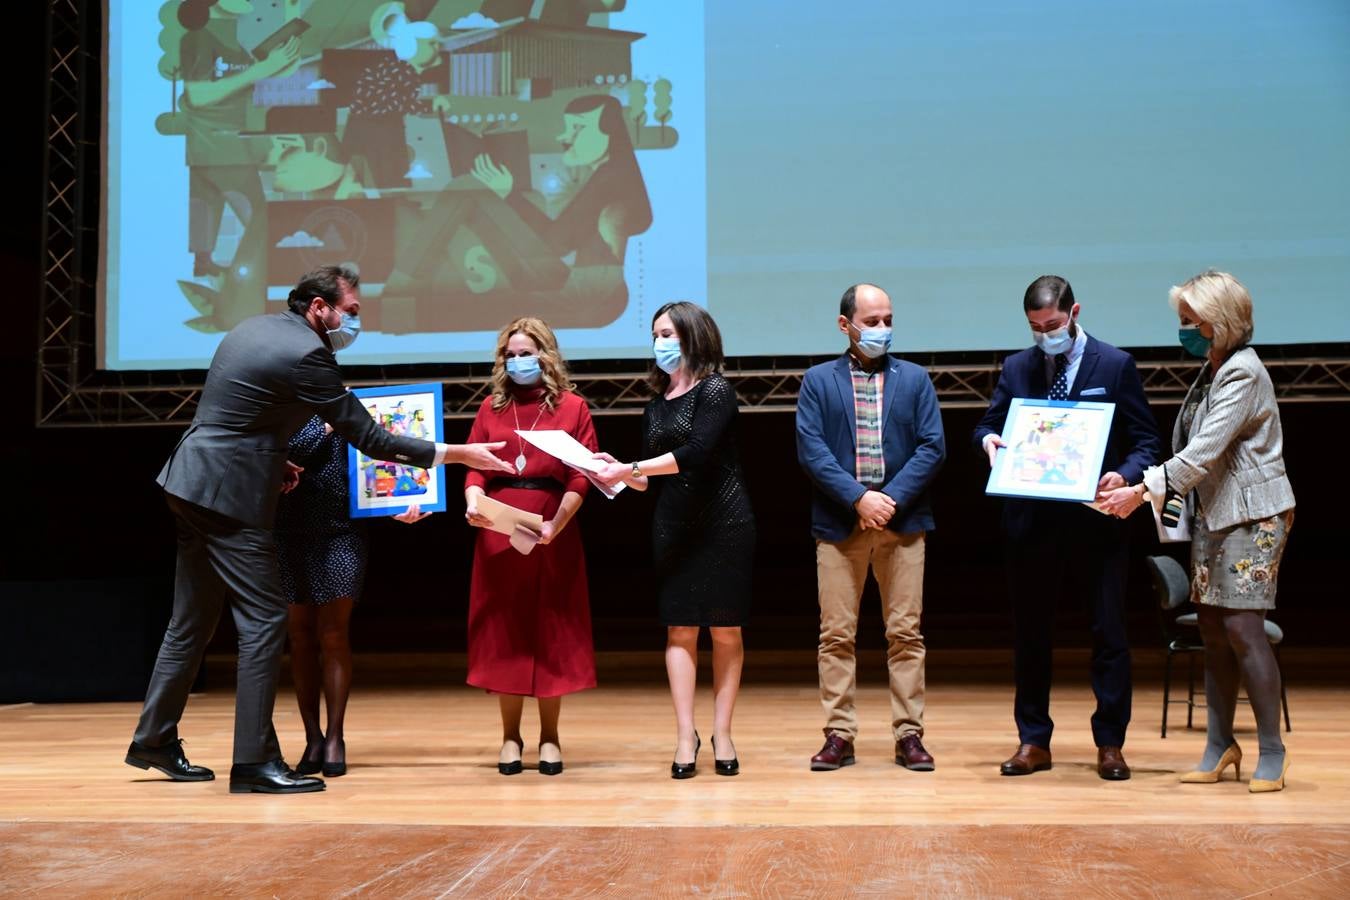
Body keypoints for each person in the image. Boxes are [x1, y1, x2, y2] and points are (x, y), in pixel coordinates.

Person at [126, 265, 513, 794]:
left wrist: (275, 458)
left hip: (189, 480)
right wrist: (455, 453)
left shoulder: (251, 328)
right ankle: (254, 763)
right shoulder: (310, 355)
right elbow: (371, 439)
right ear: (318, 308)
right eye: (350, 313)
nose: (354, 324)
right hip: (231, 497)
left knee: (190, 621)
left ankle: (154, 739)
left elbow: (242, 413)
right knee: (264, 620)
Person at [1096, 271, 1296, 792]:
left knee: (1243, 630)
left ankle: (1271, 750)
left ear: (1218, 322)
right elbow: (1192, 454)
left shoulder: (1243, 373)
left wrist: (1139, 492)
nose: (1182, 329)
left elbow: (1203, 451)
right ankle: (1219, 745)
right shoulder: (1213, 370)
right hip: (1214, 514)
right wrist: (1136, 482)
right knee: (1212, 631)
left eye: (1190, 321)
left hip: (1253, 518)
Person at [973, 275, 1160, 781]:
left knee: (1109, 633)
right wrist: (990, 442)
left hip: (1096, 524)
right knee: (1031, 635)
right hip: (1031, 523)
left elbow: (1146, 442)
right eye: (1035, 328)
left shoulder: (1115, 364)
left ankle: (1110, 743)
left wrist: (1126, 473)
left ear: (1075, 312)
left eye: (1052, 325)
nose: (1044, 336)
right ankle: (1033, 740)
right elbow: (988, 424)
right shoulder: (1018, 366)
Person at [593, 302, 755, 778]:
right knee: (680, 629)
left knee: (726, 630)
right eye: (655, 334)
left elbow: (697, 452)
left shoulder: (716, 390)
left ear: (693, 336)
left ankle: (722, 732)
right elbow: (648, 477)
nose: (660, 342)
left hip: (725, 523)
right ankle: (686, 734)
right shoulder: (655, 402)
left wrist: (635, 467)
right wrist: (611, 468)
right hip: (673, 526)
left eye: (668, 333)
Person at [795, 284, 946, 772]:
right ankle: (839, 734)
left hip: (902, 524)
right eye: (873, 320)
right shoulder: (818, 381)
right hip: (841, 525)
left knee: (906, 634)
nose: (883, 329)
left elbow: (931, 447)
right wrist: (859, 498)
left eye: (888, 319)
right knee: (836, 635)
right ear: (846, 325)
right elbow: (811, 451)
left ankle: (909, 734)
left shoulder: (915, 379)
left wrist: (888, 500)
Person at [461, 317, 599, 776]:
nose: (519, 361)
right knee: (506, 631)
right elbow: (475, 469)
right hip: (500, 530)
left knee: (551, 629)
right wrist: (474, 499)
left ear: (547, 354)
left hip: (552, 528)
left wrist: (558, 522)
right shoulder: (491, 409)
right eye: (511, 354)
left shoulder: (574, 408)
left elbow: (583, 475)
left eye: (527, 352)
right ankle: (509, 737)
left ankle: (551, 738)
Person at [276, 415, 429, 780]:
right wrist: (327, 426)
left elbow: (381, 455)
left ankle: (334, 737)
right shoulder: (281, 403)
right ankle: (312, 737)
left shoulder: (350, 406)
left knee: (333, 633)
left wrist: (400, 499)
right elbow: (283, 453)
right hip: (287, 529)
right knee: (298, 636)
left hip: (343, 530)